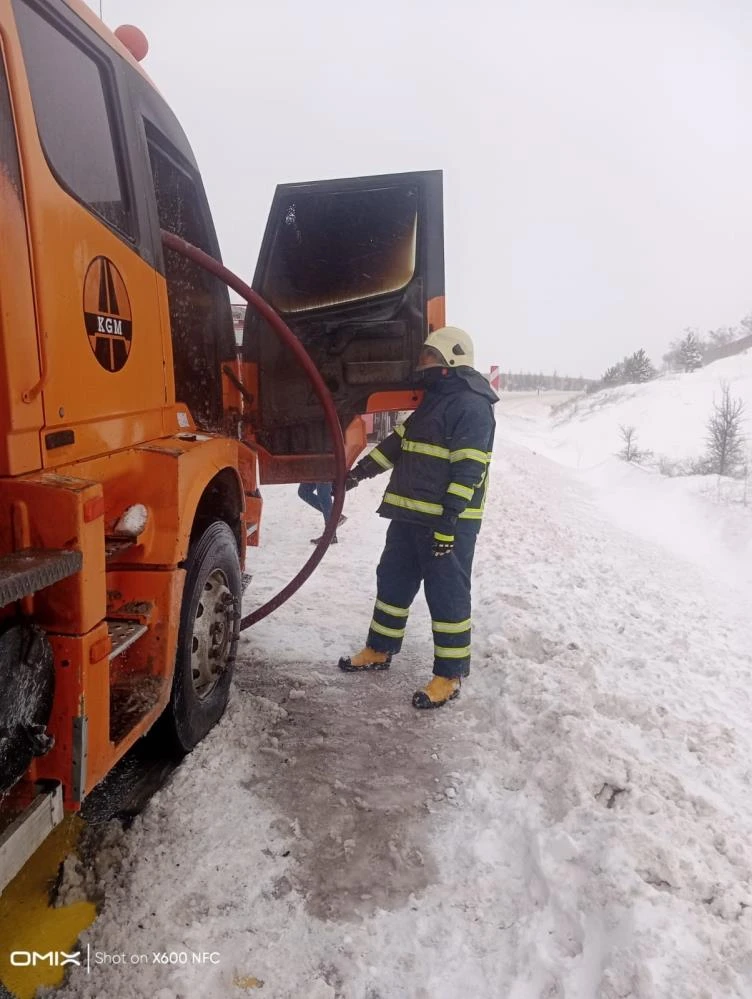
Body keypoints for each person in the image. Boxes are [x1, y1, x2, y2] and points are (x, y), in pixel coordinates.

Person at [338, 326, 498, 708]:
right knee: (392, 581)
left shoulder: (472, 406)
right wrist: (359, 474)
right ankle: (380, 649)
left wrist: (449, 524)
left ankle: (449, 675)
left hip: (447, 524)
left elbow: (468, 471)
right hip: (409, 515)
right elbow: (398, 445)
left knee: (447, 596)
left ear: (450, 361)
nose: (421, 363)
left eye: (429, 356)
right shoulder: (433, 401)